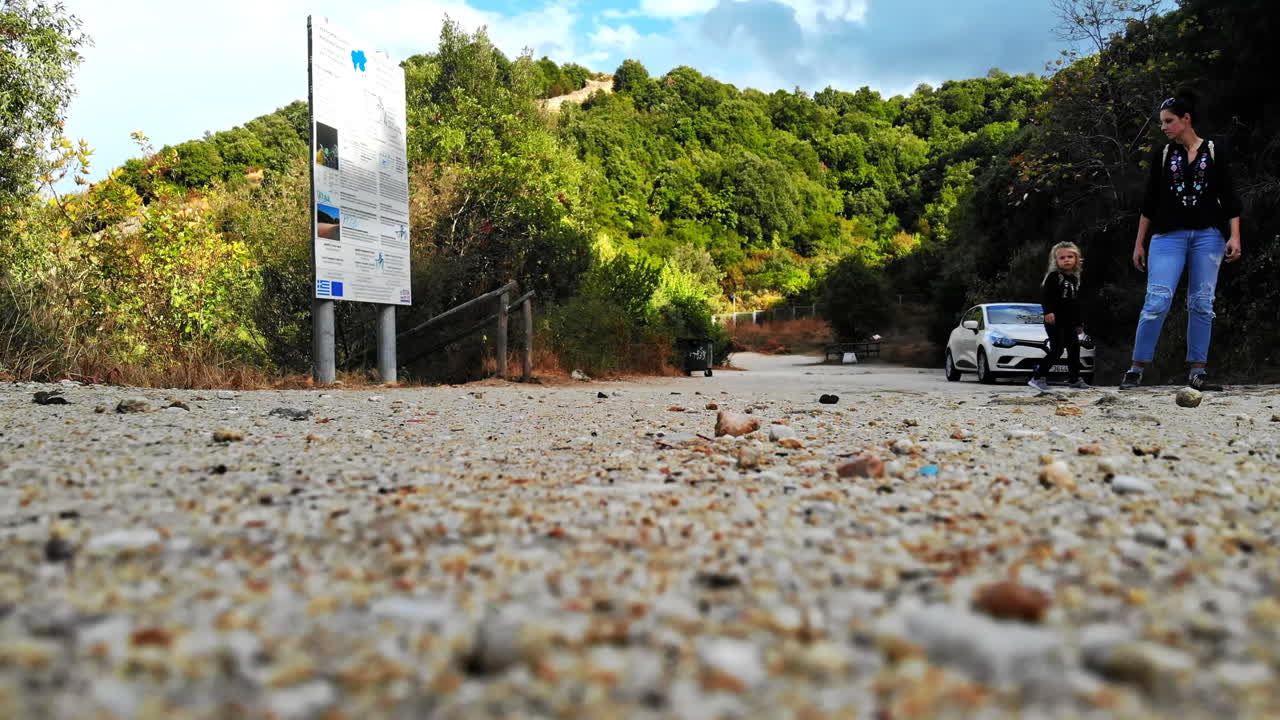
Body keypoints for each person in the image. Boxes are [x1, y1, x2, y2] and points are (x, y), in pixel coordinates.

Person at [1121, 90, 1243, 390]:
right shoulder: (1164, 155)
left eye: (1169, 121)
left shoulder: (1214, 150)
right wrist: (1139, 243)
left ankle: (1197, 371)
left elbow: (1229, 198)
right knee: (1157, 300)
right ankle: (1136, 368)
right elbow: (1149, 203)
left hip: (1208, 237)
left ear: (1186, 119)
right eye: (1162, 122)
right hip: (1166, 238)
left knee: (1202, 302)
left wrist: (1235, 236)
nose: (1163, 127)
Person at [1029, 242, 1088, 392]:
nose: (1066, 260)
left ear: (1076, 259)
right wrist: (1048, 312)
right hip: (1054, 320)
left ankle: (1074, 379)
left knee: (1074, 349)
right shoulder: (1054, 277)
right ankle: (1037, 377)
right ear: (1056, 261)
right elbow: (1045, 296)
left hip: (1070, 321)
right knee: (1057, 350)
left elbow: (1075, 303)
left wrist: (1079, 322)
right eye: (1062, 258)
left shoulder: (1074, 279)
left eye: (1070, 257)